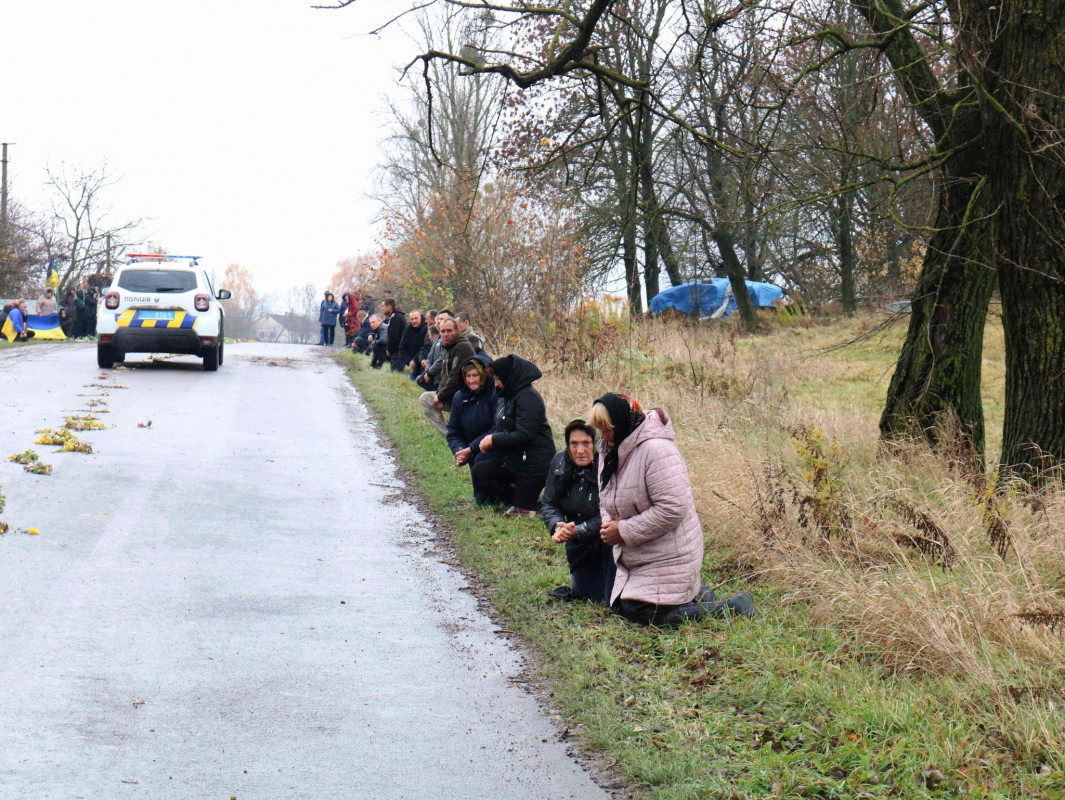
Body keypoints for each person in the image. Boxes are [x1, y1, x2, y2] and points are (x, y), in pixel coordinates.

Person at [590, 393, 755, 625]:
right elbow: (605, 497)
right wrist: (610, 524)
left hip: (672, 551)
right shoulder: (609, 449)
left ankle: (734, 607)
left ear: (622, 421)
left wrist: (624, 530)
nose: (603, 435)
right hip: (639, 552)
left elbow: (673, 508)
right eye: (599, 429)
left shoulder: (657, 450)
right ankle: (699, 595)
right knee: (616, 605)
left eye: (607, 428)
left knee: (638, 610)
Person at [541, 419, 615, 603]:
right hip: (579, 545)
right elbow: (549, 504)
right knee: (587, 595)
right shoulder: (559, 461)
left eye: (586, 443)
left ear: (596, 443)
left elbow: (612, 512)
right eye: (574, 444)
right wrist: (559, 527)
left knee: (611, 598)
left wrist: (579, 530)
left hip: (607, 541)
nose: (580, 451)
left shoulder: (609, 464)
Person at [470, 354, 555, 516]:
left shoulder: (528, 397)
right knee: (480, 472)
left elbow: (525, 435)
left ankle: (529, 503)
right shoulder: (506, 395)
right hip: (514, 460)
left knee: (520, 512)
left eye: (498, 379)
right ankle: (517, 499)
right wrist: (472, 448)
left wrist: (494, 440)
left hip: (533, 464)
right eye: (494, 378)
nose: (495, 383)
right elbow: (498, 427)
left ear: (510, 377)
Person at [447, 355, 500, 503]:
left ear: (483, 375)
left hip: (494, 448)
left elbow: (497, 428)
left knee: (481, 460)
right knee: (481, 500)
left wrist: (470, 449)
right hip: (472, 452)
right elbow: (453, 431)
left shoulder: (494, 393)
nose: (472, 380)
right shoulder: (459, 397)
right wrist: (460, 451)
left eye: (475, 375)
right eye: (468, 376)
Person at [419, 317, 475, 435]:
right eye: (443, 331)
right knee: (425, 398)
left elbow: (456, 378)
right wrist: (440, 394)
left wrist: (440, 397)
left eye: (449, 331)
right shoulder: (449, 347)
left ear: (457, 331)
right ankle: (447, 433)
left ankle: (452, 434)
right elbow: (445, 376)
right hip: (453, 395)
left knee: (429, 399)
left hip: (467, 396)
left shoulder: (463, 347)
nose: (446, 334)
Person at [397, 309, 428, 380]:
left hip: (424, 364)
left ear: (421, 317)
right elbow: (402, 347)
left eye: (416, 318)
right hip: (413, 365)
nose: (414, 321)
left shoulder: (426, 328)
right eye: (412, 319)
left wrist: (415, 360)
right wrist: (409, 361)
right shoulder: (407, 329)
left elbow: (424, 347)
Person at [381, 299, 407, 371]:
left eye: (383, 306)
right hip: (398, 350)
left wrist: (389, 349)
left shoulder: (396, 318)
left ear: (389, 307)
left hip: (398, 351)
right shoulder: (395, 316)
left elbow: (394, 336)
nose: (381, 308)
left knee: (396, 371)